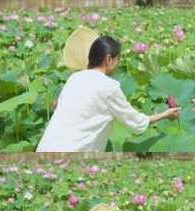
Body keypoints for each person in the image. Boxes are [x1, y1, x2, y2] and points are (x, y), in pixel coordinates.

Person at [36, 36, 180, 152]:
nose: (118, 64)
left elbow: (59, 108)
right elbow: (136, 122)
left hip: (45, 148)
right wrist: (166, 114)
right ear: (108, 59)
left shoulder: (74, 78)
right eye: (118, 59)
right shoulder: (109, 87)